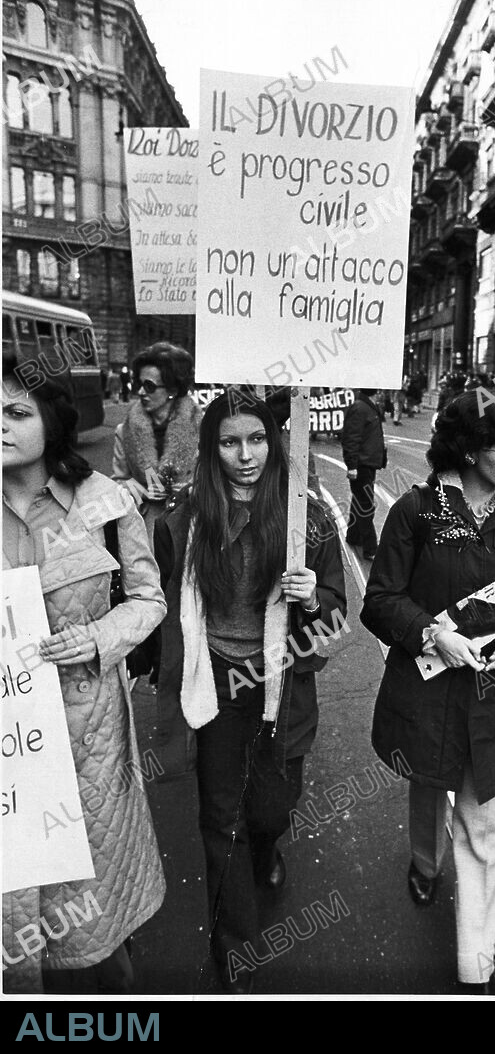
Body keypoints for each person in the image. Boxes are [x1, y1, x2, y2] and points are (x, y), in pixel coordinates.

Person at [153, 389, 346, 995]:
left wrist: (313, 596)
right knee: (219, 815)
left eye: (257, 439)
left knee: (270, 807)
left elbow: (337, 623)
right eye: (230, 441)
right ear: (213, 448)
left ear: (275, 441)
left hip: (280, 686)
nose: (245, 455)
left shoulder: (306, 518)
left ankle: (265, 846)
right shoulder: (186, 517)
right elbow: (159, 600)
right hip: (213, 682)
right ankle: (233, 950)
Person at [360, 392, 495, 992]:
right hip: (427, 692)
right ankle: (423, 862)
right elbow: (380, 600)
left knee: (481, 826)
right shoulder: (415, 511)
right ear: (468, 450)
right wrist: (433, 633)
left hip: (493, 697)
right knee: (426, 781)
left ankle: (476, 969)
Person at [2, 357, 166, 994]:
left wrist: (96, 639)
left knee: (92, 930)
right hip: (9, 754)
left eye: (16, 413)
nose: (0, 425)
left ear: (54, 422)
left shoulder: (104, 500)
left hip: (88, 745)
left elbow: (148, 599)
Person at [112, 342, 201, 542]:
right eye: (139, 385)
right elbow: (118, 482)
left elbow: (217, 480)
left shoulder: (202, 428)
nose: (141, 393)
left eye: (149, 386)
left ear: (172, 388)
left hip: (191, 530)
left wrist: (189, 489)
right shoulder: (124, 432)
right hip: (144, 532)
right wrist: (140, 491)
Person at [341, 387, 387, 560]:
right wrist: (351, 465)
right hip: (362, 464)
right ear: (377, 391)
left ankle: (353, 536)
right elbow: (351, 437)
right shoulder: (360, 408)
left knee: (359, 501)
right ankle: (370, 548)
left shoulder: (367, 406)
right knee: (366, 505)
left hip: (368, 463)